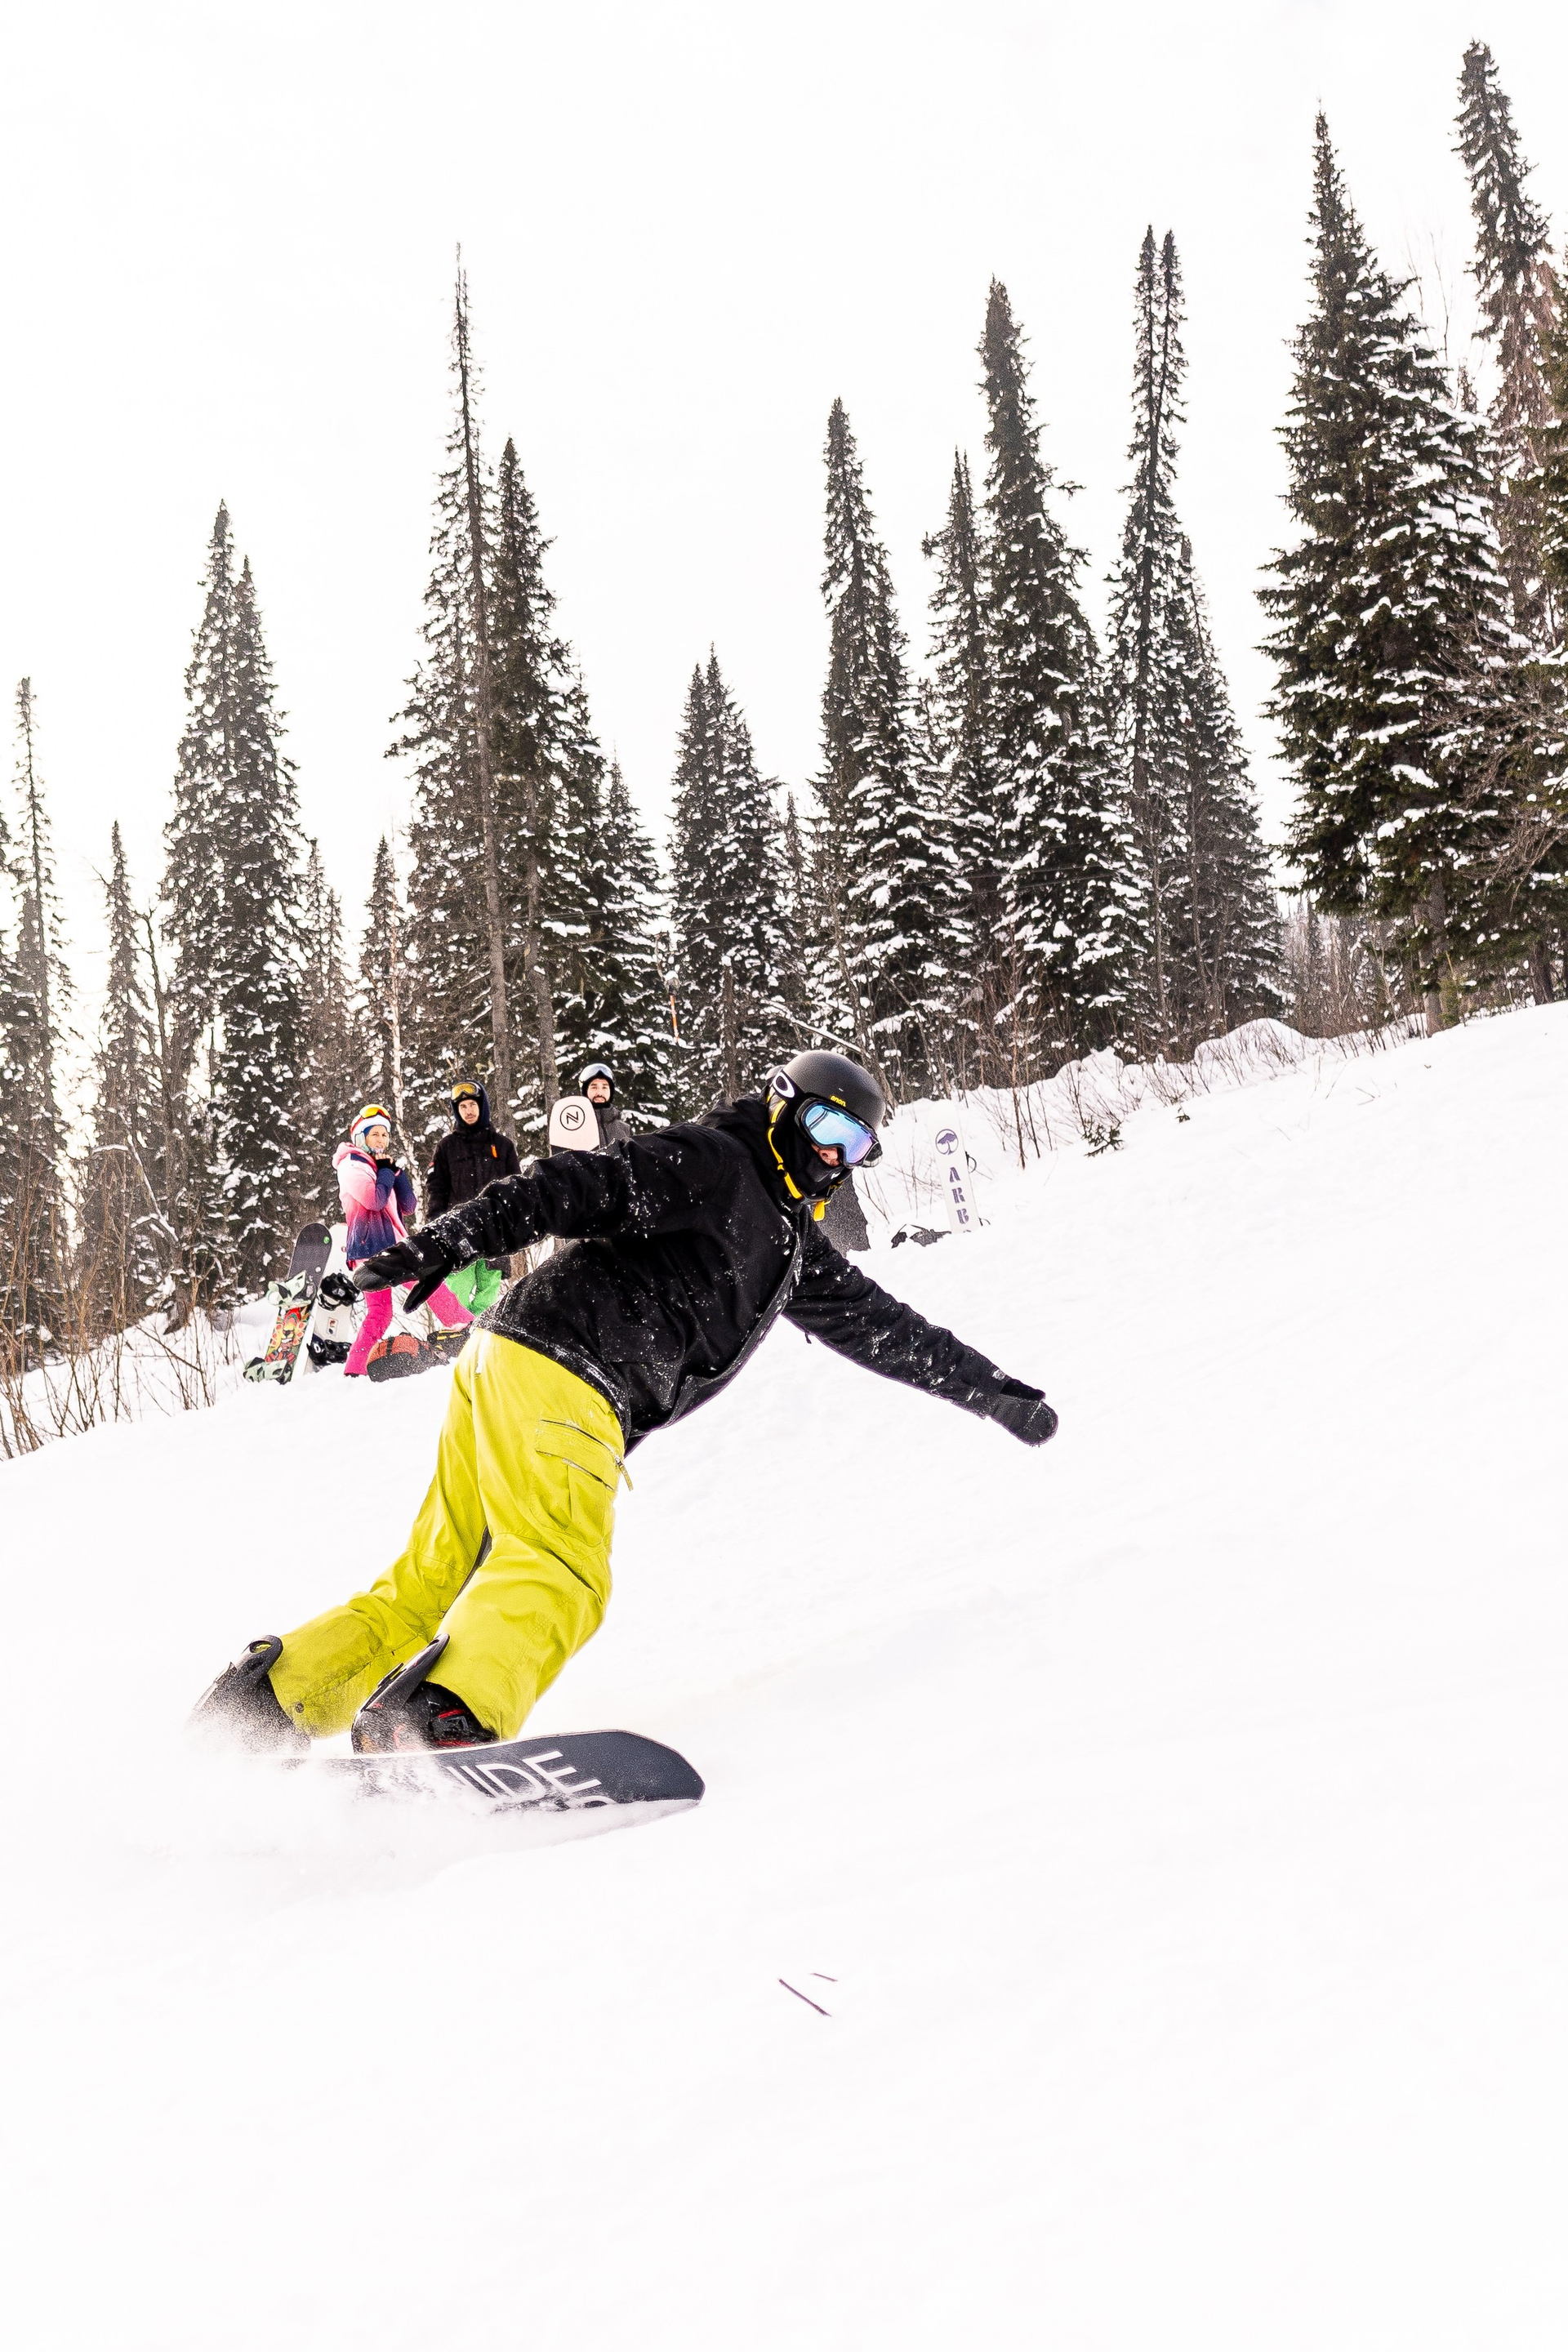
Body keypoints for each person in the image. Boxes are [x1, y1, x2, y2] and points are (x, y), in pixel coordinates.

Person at [194, 1052, 1057, 1755]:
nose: (836, 1157)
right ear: (785, 1108)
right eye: (829, 1130)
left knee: (432, 1580)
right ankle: (438, 1723)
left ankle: (265, 1705)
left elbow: (885, 1328)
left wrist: (992, 1392)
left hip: (506, 1364)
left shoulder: (792, 1245)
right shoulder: (719, 1163)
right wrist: (449, 1240)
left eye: (858, 1146)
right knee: (561, 1569)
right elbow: (571, 1186)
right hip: (569, 1371)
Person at [336, 1107, 471, 1379]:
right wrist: (386, 1173)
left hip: (387, 1248)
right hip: (375, 1249)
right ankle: (469, 1329)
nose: (381, 1140)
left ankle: (355, 1370)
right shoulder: (351, 1165)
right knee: (430, 1284)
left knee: (380, 1313)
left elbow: (408, 1206)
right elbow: (373, 1200)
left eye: (385, 1135)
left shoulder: (378, 1166)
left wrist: (397, 1173)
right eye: (374, 1134)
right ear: (360, 1137)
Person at [425, 1080, 522, 1318]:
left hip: (495, 1234)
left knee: (488, 1296)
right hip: (459, 1233)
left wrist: (515, 1224)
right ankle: (457, 1336)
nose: (468, 1111)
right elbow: (437, 1189)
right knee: (457, 1292)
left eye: (472, 1105)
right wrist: (436, 1228)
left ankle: (479, 1335)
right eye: (463, 1107)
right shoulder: (446, 1147)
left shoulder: (503, 1146)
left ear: (482, 1106)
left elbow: (516, 1189)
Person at [578, 1062, 632, 1150]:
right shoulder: (575, 1127)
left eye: (604, 1087)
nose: (599, 1093)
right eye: (594, 1087)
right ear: (585, 1091)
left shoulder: (625, 1129)